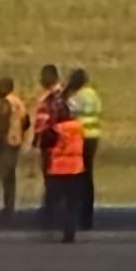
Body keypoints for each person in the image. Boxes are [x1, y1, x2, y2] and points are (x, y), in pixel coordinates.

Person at [39, 104, 86, 243]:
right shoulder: (79, 128)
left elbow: (45, 144)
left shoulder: (55, 130)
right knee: (72, 204)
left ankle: (50, 226)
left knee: (55, 202)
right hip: (76, 169)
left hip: (58, 170)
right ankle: (70, 232)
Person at [65, 68, 103, 231]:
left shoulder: (79, 96)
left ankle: (79, 215)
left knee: (79, 176)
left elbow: (67, 108)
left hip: (81, 138)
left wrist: (66, 92)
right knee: (88, 177)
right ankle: (88, 216)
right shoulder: (93, 94)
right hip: (93, 137)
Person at [0, 76, 28, 216]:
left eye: (0, 87)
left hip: (5, 142)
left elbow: (3, 122)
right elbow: (26, 121)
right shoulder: (18, 102)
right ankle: (9, 204)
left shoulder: (6, 102)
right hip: (16, 141)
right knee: (10, 174)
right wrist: (20, 133)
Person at [30, 64, 66, 225]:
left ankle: (53, 207)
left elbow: (45, 120)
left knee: (52, 174)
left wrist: (37, 140)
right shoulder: (59, 96)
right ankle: (53, 204)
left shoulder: (53, 98)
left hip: (52, 140)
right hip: (55, 140)